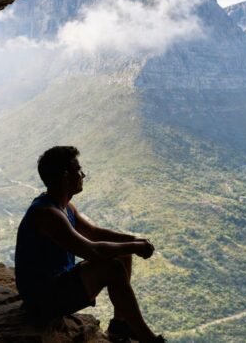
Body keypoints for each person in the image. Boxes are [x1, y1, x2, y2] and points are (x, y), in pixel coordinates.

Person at [14, 146, 164, 342]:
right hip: (42, 299)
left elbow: (94, 233)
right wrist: (135, 247)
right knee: (113, 267)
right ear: (65, 176)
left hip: (56, 284)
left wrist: (132, 241)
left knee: (122, 254)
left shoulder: (64, 207)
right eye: (78, 169)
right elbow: (93, 250)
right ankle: (148, 339)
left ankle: (120, 325)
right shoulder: (47, 215)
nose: (82, 174)